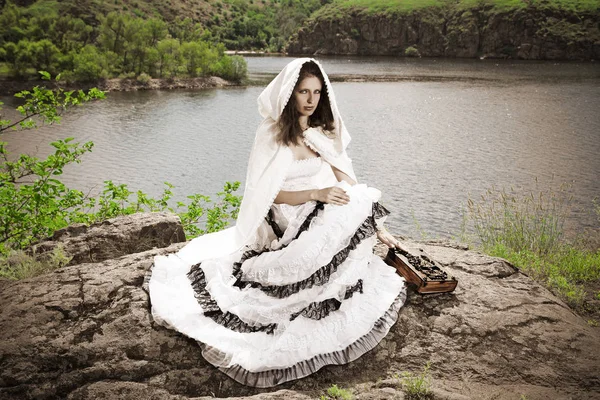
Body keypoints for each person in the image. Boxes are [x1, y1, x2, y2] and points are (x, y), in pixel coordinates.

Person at [146, 57, 407, 388]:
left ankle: (330, 255)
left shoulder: (320, 133)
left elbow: (351, 184)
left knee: (359, 197)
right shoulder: (271, 134)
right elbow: (266, 195)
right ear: (289, 94)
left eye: (316, 92)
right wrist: (318, 193)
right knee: (309, 243)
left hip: (320, 206)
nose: (310, 100)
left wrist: (376, 226)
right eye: (303, 92)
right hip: (285, 214)